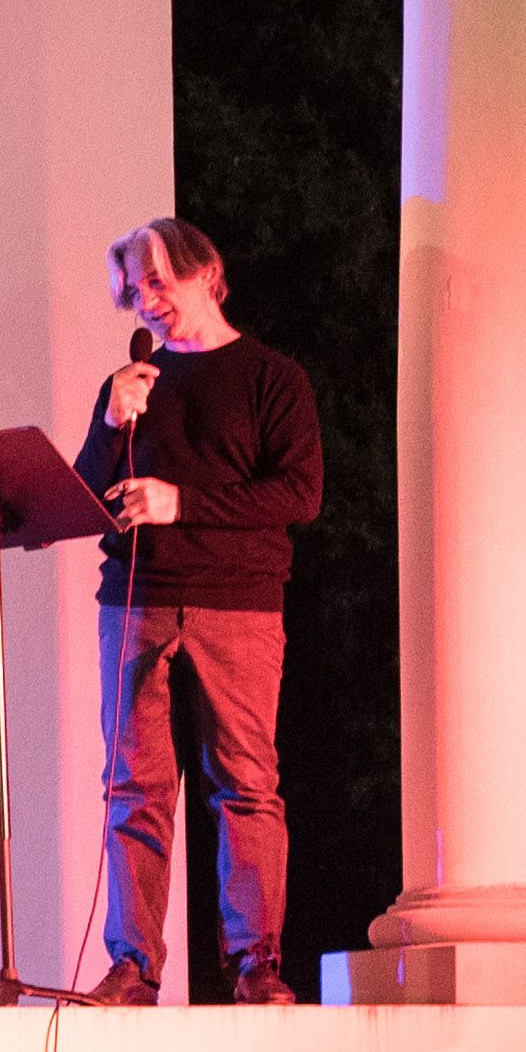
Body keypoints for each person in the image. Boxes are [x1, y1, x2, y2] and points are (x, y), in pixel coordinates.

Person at [71, 216, 323, 1007]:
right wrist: (111, 423)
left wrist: (182, 502)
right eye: (135, 290)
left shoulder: (272, 378)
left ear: (205, 272)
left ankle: (256, 964)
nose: (147, 302)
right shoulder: (132, 389)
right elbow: (84, 494)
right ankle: (134, 966)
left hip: (238, 602)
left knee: (245, 783)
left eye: (159, 282)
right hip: (137, 602)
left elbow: (299, 494)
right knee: (134, 786)